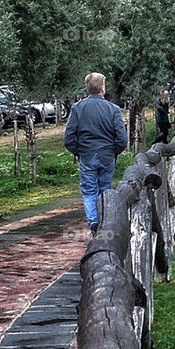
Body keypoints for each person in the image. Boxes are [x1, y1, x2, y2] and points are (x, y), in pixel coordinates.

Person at [63, 72, 128, 235]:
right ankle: (104, 221)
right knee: (104, 190)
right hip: (107, 155)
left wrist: (79, 152)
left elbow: (68, 137)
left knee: (88, 191)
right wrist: (114, 152)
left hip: (87, 155)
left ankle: (93, 221)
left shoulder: (78, 108)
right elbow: (121, 138)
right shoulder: (113, 109)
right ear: (102, 88)